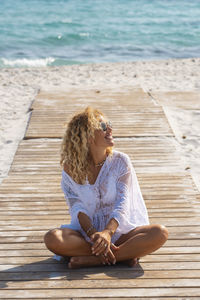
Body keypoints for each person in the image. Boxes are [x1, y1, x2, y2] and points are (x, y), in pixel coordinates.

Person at [44, 107, 168, 269]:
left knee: (160, 232)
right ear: (87, 136)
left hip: (121, 232)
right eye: (103, 127)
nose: (110, 129)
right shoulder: (71, 167)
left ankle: (93, 259)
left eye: (109, 124)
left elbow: (122, 204)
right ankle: (123, 255)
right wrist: (94, 234)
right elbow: (77, 208)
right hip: (88, 235)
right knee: (53, 238)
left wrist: (108, 233)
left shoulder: (120, 161)